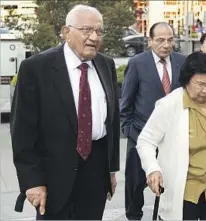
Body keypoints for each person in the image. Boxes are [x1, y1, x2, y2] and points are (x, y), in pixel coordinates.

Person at [10, 5, 120, 220]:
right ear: (66, 32)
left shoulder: (106, 65)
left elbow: (112, 122)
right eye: (87, 30)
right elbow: (22, 132)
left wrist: (111, 169)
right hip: (53, 174)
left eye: (99, 31)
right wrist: (32, 181)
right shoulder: (36, 68)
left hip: (96, 171)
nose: (94, 37)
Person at [136, 51, 206, 220]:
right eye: (201, 84)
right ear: (187, 80)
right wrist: (152, 169)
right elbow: (146, 141)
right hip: (183, 194)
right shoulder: (169, 105)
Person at [120, 22, 186, 220]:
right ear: (149, 41)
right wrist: (131, 133)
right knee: (135, 186)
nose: (166, 45)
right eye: (160, 40)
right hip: (140, 135)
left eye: (170, 40)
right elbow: (126, 104)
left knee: (173, 186)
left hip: (173, 140)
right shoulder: (137, 63)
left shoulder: (183, 62)